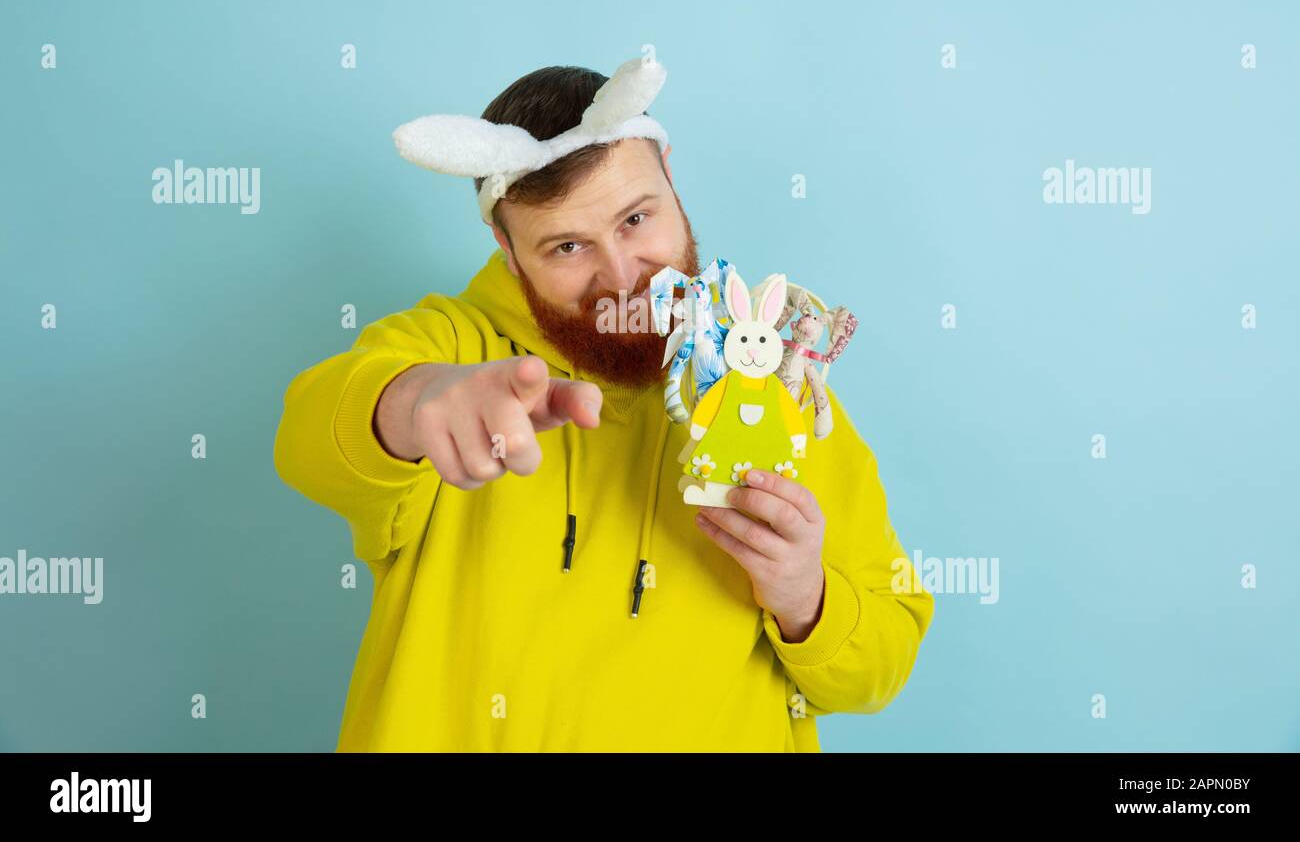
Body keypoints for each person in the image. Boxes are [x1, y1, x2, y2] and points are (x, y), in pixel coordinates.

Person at [272, 56, 935, 751]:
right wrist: (415, 402)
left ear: (671, 176)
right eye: (566, 246)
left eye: (636, 218)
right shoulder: (449, 345)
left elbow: (881, 665)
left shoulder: (779, 386)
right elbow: (307, 437)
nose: (621, 278)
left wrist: (808, 600)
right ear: (506, 244)